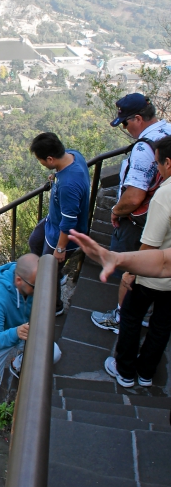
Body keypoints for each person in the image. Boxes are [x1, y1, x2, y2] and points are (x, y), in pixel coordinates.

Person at [69, 135, 171, 387]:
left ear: (168, 163)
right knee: (161, 326)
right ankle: (146, 373)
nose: (156, 170)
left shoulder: (164, 196)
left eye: (157, 164)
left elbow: (150, 246)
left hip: (153, 275)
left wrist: (129, 270)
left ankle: (124, 370)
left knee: (130, 317)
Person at [91, 93, 171, 334]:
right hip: (160, 216)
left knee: (130, 269)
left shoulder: (145, 149)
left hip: (138, 221)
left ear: (138, 118)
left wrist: (117, 211)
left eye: (126, 123)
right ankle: (144, 313)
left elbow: (134, 196)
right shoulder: (166, 130)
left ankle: (120, 316)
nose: (125, 128)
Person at [0, 254, 62, 432]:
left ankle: (15, 366)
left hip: (18, 331)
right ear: (18, 280)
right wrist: (16, 333)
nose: (40, 291)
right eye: (35, 287)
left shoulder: (30, 279)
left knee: (53, 353)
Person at [28, 133, 90, 315]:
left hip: (62, 235)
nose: (40, 163)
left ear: (50, 158)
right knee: (35, 241)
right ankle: (59, 273)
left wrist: (60, 248)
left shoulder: (69, 185)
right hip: (52, 222)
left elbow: (69, 222)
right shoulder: (73, 155)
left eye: (41, 160)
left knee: (48, 271)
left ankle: (54, 306)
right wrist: (55, 177)